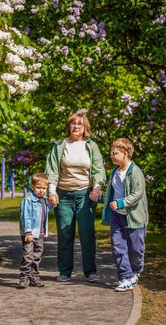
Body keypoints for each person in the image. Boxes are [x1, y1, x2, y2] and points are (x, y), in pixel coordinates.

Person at [46, 111, 106, 282]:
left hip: (85, 195)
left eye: (80, 124)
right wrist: (51, 192)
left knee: (87, 232)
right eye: (73, 123)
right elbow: (52, 170)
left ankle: (90, 271)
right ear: (69, 126)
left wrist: (97, 187)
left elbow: (98, 169)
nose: (76, 126)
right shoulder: (59, 146)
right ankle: (65, 271)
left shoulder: (91, 146)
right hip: (63, 195)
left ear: (85, 127)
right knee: (65, 233)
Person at [102, 138, 148, 292]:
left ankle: (136, 271)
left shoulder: (135, 171)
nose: (111, 155)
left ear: (125, 154)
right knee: (118, 247)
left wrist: (122, 203)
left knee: (136, 249)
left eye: (114, 153)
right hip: (117, 216)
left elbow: (138, 193)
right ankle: (125, 277)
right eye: (111, 152)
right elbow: (113, 192)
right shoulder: (115, 171)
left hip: (134, 217)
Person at [18, 172, 51, 289]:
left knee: (37, 256)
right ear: (32, 186)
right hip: (30, 233)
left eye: (44, 188)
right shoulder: (28, 200)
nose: (41, 190)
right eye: (38, 187)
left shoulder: (44, 200)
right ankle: (24, 276)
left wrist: (53, 203)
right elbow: (25, 216)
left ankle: (34, 275)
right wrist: (28, 232)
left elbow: (47, 211)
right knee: (28, 255)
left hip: (40, 233)